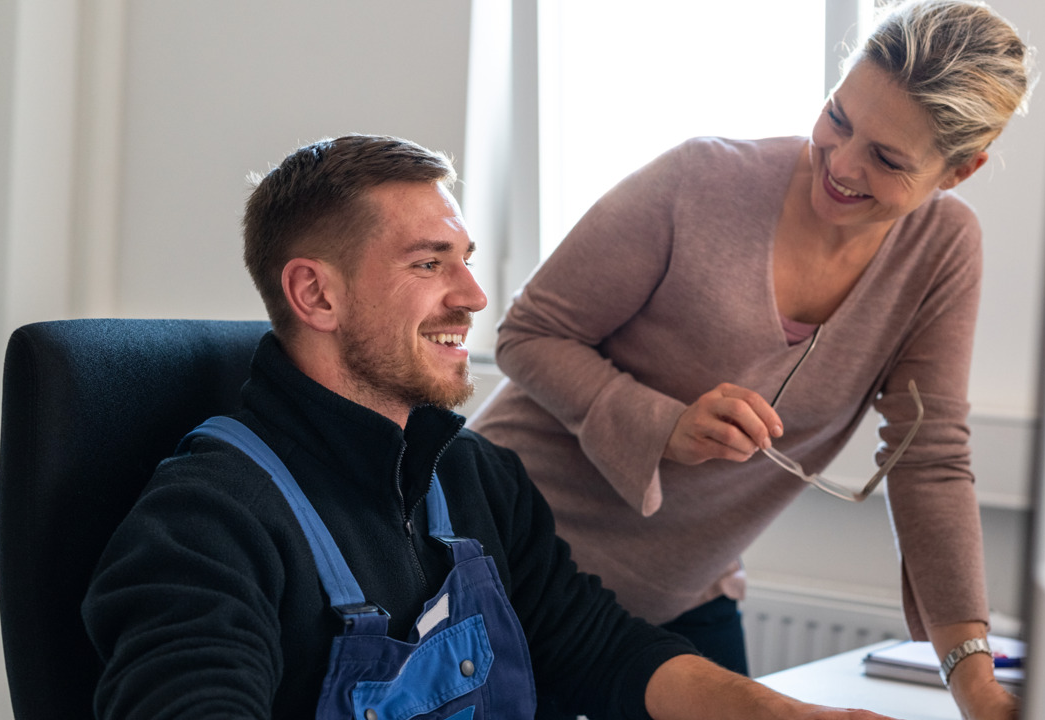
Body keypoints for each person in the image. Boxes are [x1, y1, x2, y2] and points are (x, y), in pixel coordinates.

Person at [81, 134, 900, 720]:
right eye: (430, 262)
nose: (474, 296)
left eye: (467, 258)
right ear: (316, 296)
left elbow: (600, 651)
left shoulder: (476, 477)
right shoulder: (204, 522)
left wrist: (778, 713)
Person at [467, 1, 1035, 718]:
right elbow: (529, 332)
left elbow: (929, 461)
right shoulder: (701, 178)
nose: (841, 163)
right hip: (509, 554)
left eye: (888, 159)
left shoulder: (943, 251)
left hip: (680, 590)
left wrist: (973, 679)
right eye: (838, 117)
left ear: (960, 171)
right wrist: (665, 424)